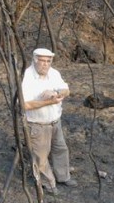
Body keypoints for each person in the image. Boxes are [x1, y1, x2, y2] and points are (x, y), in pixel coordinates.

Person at [21, 48, 77, 195]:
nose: (45, 64)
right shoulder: (26, 77)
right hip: (37, 124)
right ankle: (48, 183)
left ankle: (63, 176)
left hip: (55, 121)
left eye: (48, 61)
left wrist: (57, 94)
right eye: (42, 61)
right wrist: (47, 102)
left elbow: (66, 89)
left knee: (61, 149)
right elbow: (25, 104)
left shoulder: (54, 73)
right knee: (41, 156)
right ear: (35, 60)